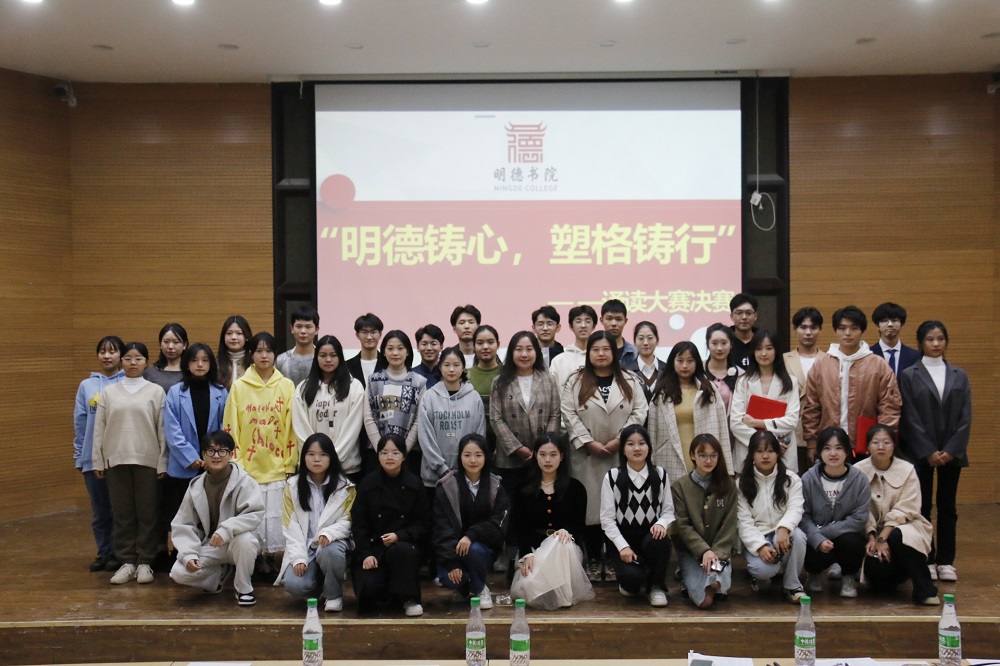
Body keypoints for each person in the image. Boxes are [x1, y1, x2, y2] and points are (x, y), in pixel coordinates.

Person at [561, 331, 648, 581]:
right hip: (586, 455)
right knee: (590, 508)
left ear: (614, 352)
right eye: (595, 349)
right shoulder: (575, 381)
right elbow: (568, 414)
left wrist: (621, 440)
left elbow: (640, 411)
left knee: (616, 508)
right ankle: (592, 558)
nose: (601, 354)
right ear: (588, 353)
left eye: (606, 349)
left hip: (620, 455)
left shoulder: (630, 380)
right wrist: (588, 442)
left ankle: (612, 557)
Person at [899, 320, 971, 584]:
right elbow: (910, 416)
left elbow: (965, 416)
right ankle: (927, 558)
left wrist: (951, 449)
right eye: (930, 339)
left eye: (940, 338)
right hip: (921, 452)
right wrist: (928, 450)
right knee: (923, 507)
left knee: (948, 506)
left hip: (952, 451)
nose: (936, 344)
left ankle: (946, 561)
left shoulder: (959, 375)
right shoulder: (909, 374)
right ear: (921, 343)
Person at [92, 342, 168, 585]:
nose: (132, 362)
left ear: (147, 362)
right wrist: (98, 460)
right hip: (116, 460)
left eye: (138, 358)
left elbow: (162, 430)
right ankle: (126, 561)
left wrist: (163, 462)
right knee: (122, 513)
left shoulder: (156, 391)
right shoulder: (109, 392)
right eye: (127, 358)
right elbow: (99, 429)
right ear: (121, 362)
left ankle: (146, 561)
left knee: (148, 513)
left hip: (148, 460)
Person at [490, 331, 562, 569]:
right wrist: (517, 448)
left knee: (537, 506)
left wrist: (544, 448)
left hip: (543, 458)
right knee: (511, 508)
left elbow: (555, 413)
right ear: (511, 353)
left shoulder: (548, 379)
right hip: (510, 458)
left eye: (529, 349)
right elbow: (496, 418)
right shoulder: (500, 381)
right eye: (518, 349)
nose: (524, 354)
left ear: (536, 352)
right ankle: (513, 554)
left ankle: (539, 553)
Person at [223, 331, 297, 560]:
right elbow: (230, 427)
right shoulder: (239, 387)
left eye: (269, 351)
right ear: (251, 354)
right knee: (251, 521)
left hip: (278, 468)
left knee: (276, 522)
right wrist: (237, 463)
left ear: (275, 354)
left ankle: (273, 563)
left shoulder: (286, 386)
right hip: (248, 469)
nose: (264, 355)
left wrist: (290, 463)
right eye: (259, 351)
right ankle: (254, 563)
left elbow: (292, 427)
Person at [169, 431, 263, 606]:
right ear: (203, 454)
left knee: (245, 540)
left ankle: (244, 588)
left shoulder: (245, 482)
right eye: (211, 451)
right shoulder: (196, 486)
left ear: (231, 454)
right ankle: (218, 576)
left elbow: (254, 514)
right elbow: (183, 524)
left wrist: (226, 529)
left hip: (238, 542)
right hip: (211, 544)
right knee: (179, 572)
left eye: (222, 451)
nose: (216, 456)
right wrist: (189, 554)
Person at [802, 306, 902, 460]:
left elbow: (889, 406)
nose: (847, 333)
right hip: (829, 445)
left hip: (867, 445)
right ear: (835, 331)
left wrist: (881, 441)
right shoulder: (821, 365)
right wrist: (812, 443)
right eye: (842, 328)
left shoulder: (878, 365)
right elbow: (812, 407)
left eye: (853, 328)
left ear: (862, 331)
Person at [855, 425, 939, 605]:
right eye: (875, 442)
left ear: (894, 445)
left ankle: (925, 589)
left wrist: (883, 538)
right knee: (879, 576)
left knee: (900, 536)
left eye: (886, 442)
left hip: (905, 525)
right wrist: (872, 537)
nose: (881, 447)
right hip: (869, 531)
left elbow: (907, 508)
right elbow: (859, 509)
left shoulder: (907, 469)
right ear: (867, 446)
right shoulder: (857, 471)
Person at [351, 434, 431, 617]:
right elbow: (359, 524)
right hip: (374, 548)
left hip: (404, 546)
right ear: (378, 455)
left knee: (402, 550)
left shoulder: (414, 484)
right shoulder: (367, 484)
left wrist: (400, 536)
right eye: (384, 452)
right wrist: (366, 553)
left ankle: (410, 599)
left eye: (395, 452)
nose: (389, 457)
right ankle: (391, 594)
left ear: (404, 456)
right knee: (369, 592)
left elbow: (424, 522)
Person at [510, 433, 593, 610]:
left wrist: (566, 531)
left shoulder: (576, 488)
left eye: (553, 454)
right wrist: (526, 554)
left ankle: (563, 596)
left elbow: (578, 525)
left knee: (561, 542)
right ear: (535, 456)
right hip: (534, 548)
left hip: (567, 549)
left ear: (561, 456)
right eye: (542, 454)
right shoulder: (523, 488)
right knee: (529, 585)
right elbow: (519, 525)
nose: (548, 459)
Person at [163, 344, 228, 559]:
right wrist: (191, 457)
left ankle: (210, 554)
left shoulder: (221, 392)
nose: (199, 365)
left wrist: (212, 457)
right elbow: (172, 430)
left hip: (213, 464)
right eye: (194, 360)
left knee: (211, 512)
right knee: (184, 513)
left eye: (205, 360)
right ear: (186, 364)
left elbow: (224, 427)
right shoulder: (175, 392)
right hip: (184, 465)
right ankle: (182, 553)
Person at [277, 433, 355, 612]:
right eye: (311, 454)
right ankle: (319, 585)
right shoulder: (293, 486)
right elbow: (291, 526)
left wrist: (329, 533)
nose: (316, 459)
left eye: (323, 454)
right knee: (294, 584)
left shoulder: (345, 487)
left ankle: (333, 595)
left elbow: (348, 521)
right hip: (306, 546)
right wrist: (299, 557)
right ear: (303, 457)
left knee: (329, 550)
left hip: (333, 544)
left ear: (331, 457)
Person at [433, 433, 510, 610]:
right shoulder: (447, 486)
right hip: (453, 550)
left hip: (482, 549)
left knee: (474, 550)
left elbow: (498, 525)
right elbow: (441, 528)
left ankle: (480, 589)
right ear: (460, 456)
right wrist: (452, 562)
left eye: (478, 455)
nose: (473, 460)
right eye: (467, 455)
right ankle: (464, 586)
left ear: (486, 457)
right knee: (447, 578)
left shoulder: (496, 486)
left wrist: (471, 535)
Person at [600, 424, 674, 607]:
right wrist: (623, 546)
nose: (637, 448)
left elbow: (668, 511)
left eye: (641, 443)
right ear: (623, 449)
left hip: (650, 537)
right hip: (624, 540)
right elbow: (607, 520)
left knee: (660, 539)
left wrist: (662, 524)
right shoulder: (612, 477)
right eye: (630, 444)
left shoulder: (660, 474)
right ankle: (635, 577)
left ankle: (656, 586)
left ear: (649, 447)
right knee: (632, 584)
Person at [74, 335, 126, 572]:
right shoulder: (86, 386)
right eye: (103, 351)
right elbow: (80, 423)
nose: (107, 356)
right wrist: (79, 455)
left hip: (119, 458)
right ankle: (103, 552)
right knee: (100, 512)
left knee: (120, 510)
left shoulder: (128, 382)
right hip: (91, 459)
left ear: (121, 356)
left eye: (112, 351)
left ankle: (119, 552)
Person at [799, 426, 870, 597]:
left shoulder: (859, 479)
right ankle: (813, 574)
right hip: (815, 537)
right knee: (804, 540)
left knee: (852, 542)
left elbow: (860, 518)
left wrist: (825, 532)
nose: (833, 453)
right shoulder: (808, 479)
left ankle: (848, 577)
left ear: (847, 451)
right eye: (827, 448)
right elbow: (803, 516)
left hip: (844, 536)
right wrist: (817, 538)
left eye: (839, 448)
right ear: (819, 452)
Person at [737, 430, 807, 603]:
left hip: (782, 533)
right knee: (763, 571)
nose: (765, 456)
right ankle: (761, 577)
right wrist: (760, 546)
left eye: (770, 451)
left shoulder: (791, 479)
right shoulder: (741, 484)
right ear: (752, 455)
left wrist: (784, 528)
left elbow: (796, 508)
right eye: (759, 451)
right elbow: (743, 521)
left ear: (778, 453)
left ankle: (792, 586)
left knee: (799, 537)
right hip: (758, 535)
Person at [647, 341, 730, 485]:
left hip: (705, 455)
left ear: (697, 363)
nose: (685, 366)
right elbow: (652, 432)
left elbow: (722, 429)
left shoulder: (709, 389)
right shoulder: (661, 392)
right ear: (672, 362)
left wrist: (727, 468)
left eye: (690, 361)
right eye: (680, 361)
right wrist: (651, 466)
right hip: (670, 455)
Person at [671, 433, 738, 609]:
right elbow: (683, 525)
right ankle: (688, 576)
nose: (708, 460)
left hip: (719, 550)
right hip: (691, 552)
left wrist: (716, 553)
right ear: (692, 456)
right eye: (702, 455)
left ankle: (715, 580)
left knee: (716, 583)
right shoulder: (680, 486)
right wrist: (704, 551)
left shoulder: (729, 485)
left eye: (713, 455)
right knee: (704, 601)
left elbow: (730, 524)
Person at [292, 335, 366, 482]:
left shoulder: (354, 386)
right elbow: (300, 427)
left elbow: (352, 428)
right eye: (323, 355)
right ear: (316, 357)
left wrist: (332, 458)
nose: (328, 360)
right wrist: (316, 457)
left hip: (346, 468)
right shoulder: (303, 388)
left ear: (340, 357)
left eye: (333, 355)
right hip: (313, 469)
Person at [729, 329, 801, 473]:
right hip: (749, 451)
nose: (763, 353)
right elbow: (736, 423)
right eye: (759, 349)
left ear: (777, 351)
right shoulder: (743, 382)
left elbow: (792, 420)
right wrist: (767, 444)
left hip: (783, 450)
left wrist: (758, 423)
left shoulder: (790, 382)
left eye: (769, 348)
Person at [418, 346, 486, 492]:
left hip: (467, 476)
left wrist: (470, 463)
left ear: (463, 368)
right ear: (440, 367)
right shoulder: (429, 397)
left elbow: (480, 435)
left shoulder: (474, 397)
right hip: (434, 479)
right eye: (447, 365)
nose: (451, 369)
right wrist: (441, 468)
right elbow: (425, 437)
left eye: (456, 365)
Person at [363, 330, 427, 463]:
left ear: (408, 351)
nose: (395, 353)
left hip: (409, 455)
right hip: (376, 454)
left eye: (400, 348)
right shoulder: (373, 380)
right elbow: (368, 418)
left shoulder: (419, 382)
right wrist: (382, 451)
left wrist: (402, 452)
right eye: (390, 348)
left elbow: (419, 420)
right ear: (384, 352)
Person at [784, 307, 826, 473]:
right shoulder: (784, 359)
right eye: (803, 327)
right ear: (795, 329)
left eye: (813, 327)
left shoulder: (829, 360)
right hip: (791, 429)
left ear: (820, 330)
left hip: (820, 428)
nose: (808, 332)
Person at [467, 325, 502, 453]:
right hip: (473, 441)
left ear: (498, 344)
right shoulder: (465, 376)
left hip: (503, 441)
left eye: (490, 342)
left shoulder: (508, 374)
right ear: (473, 346)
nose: (485, 347)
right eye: (480, 343)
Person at [549, 305, 597, 391]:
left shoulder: (600, 358)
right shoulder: (559, 361)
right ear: (571, 326)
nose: (583, 325)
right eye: (578, 321)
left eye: (587, 321)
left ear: (594, 326)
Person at [870, 302, 920, 379]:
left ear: (901, 324)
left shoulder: (915, 356)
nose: (890, 324)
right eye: (884, 320)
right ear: (877, 326)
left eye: (894, 320)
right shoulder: (868, 355)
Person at [276, 305, 320, 387]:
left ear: (316, 330)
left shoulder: (322, 359)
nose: (303, 331)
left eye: (308, 327)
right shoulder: (281, 360)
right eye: (299, 326)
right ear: (292, 329)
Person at [704, 323, 741, 413]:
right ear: (707, 345)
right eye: (714, 343)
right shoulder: (698, 370)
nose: (719, 348)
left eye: (724, 343)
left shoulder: (741, 375)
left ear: (731, 344)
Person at [144, 323, 189, 394]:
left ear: (184, 345)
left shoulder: (191, 371)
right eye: (166, 342)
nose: (170, 346)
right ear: (160, 344)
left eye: (176, 342)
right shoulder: (150, 372)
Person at [346, 313, 388, 388]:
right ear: (357, 335)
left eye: (373, 332)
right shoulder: (346, 366)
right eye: (364, 332)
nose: (369, 337)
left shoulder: (388, 364)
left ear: (380, 334)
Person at [599, 298, 639, 372]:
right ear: (601, 320)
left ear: (625, 321)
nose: (614, 324)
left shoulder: (635, 352)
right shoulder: (595, 351)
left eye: (618, 319)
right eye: (609, 319)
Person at [217, 315, 252, 390]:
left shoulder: (254, 364)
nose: (233, 337)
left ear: (247, 337)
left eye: (239, 333)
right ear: (223, 337)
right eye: (229, 333)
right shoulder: (215, 364)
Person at [633, 321, 667, 398]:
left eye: (650, 338)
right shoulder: (627, 371)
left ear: (657, 340)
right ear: (635, 341)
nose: (645, 343)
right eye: (641, 338)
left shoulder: (667, 370)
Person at [728, 293, 758, 370]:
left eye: (748, 313)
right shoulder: (725, 341)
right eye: (739, 313)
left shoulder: (762, 340)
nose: (744, 317)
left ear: (755, 316)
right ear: (731, 316)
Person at [413, 324, 445, 388]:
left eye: (433, 344)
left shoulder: (447, 374)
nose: (429, 348)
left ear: (441, 347)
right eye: (424, 344)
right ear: (418, 347)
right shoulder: (411, 375)